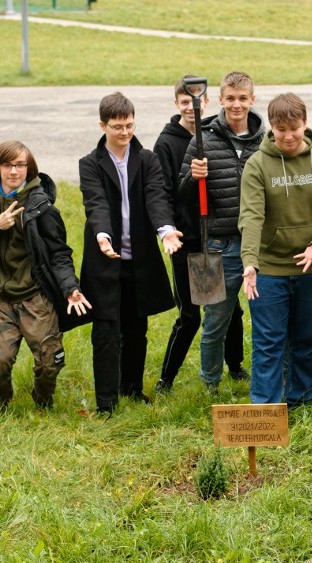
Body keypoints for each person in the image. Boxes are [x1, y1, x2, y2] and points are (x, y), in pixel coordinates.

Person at [0, 140, 91, 412]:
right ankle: (1, 409)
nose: (14, 171)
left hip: (36, 298)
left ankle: (43, 402)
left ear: (29, 168)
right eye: (8, 165)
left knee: (50, 362)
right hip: (2, 299)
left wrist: (71, 287)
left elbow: (59, 253)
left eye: (20, 165)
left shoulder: (41, 207)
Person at [79, 92, 183, 416]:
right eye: (117, 127)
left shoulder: (148, 159)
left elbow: (156, 198)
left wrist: (166, 231)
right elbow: (95, 202)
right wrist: (102, 237)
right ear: (102, 125)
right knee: (107, 331)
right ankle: (106, 403)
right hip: (105, 260)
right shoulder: (90, 164)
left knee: (137, 329)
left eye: (129, 125)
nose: (124, 133)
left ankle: (132, 390)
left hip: (138, 261)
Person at [239, 93, 312, 406]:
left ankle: (300, 400)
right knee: (269, 342)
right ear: (272, 127)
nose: (288, 135)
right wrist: (250, 262)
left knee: (307, 339)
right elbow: (251, 216)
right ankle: (265, 407)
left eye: (294, 128)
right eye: (281, 129)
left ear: (305, 123)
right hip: (269, 270)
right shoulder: (257, 164)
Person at [154, 75, 248, 394]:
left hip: (212, 237)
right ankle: (168, 379)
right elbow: (169, 193)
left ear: (207, 101)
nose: (191, 108)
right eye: (184, 102)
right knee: (193, 315)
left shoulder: (215, 137)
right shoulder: (169, 144)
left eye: (194, 102)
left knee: (230, 310)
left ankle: (235, 368)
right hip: (188, 240)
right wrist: (169, 230)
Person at [178, 71, 265, 393]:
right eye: (230, 98)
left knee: (265, 321)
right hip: (218, 244)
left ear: (252, 100)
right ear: (220, 99)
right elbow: (182, 196)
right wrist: (192, 177)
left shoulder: (265, 141)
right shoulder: (203, 140)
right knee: (216, 321)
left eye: (243, 98)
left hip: (260, 245)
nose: (237, 104)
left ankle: (265, 379)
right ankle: (210, 384)